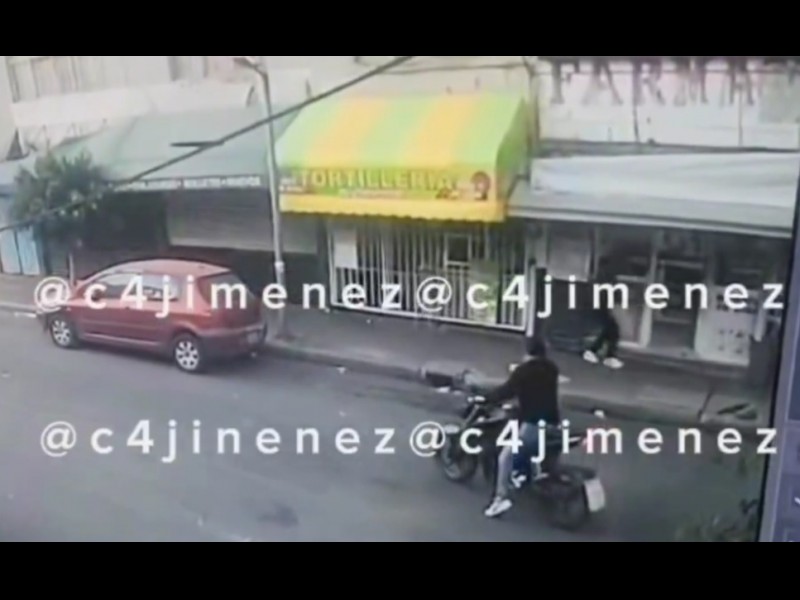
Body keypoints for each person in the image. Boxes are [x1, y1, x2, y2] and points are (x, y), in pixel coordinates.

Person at [482, 337, 561, 518]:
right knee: (527, 449)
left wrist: (486, 398)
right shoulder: (552, 369)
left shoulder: (523, 371)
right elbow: (538, 391)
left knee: (505, 457)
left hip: (534, 425)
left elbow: (506, 391)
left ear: (527, 352)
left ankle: (500, 499)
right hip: (553, 423)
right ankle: (522, 475)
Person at [583, 257, 624, 369]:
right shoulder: (608, 277)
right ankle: (608, 355)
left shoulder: (599, 277)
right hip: (604, 307)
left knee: (608, 331)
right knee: (613, 331)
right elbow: (613, 293)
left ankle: (596, 352)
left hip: (601, 307)